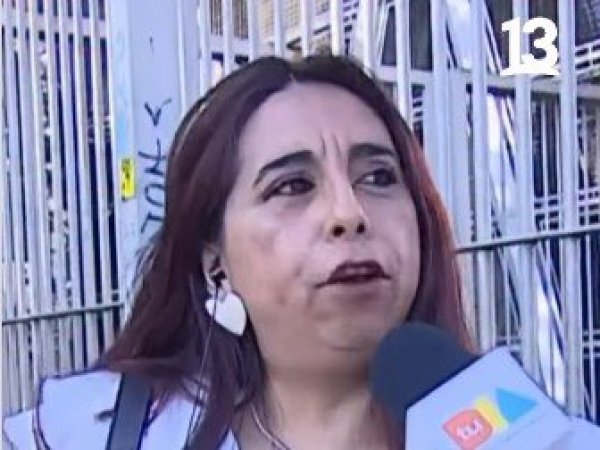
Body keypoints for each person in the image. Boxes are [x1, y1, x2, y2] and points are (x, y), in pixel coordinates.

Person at [4, 55, 471, 449]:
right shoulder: (87, 433)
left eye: (379, 177)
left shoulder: (497, 423)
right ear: (216, 264)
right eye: (293, 186)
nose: (349, 213)